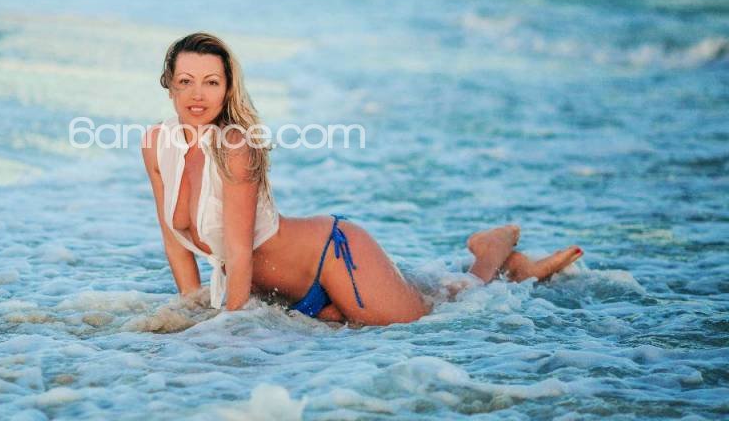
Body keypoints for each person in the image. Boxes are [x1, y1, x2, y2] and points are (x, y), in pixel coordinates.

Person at [141, 33, 583, 326]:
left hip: (334, 258)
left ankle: (492, 252)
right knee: (431, 293)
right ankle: (513, 267)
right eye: (186, 81)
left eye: (211, 82)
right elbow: (173, 242)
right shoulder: (157, 143)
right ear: (169, 84)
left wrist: (229, 329)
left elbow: (239, 253)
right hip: (281, 293)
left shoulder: (235, 147)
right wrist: (192, 307)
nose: (198, 94)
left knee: (443, 309)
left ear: (227, 88)